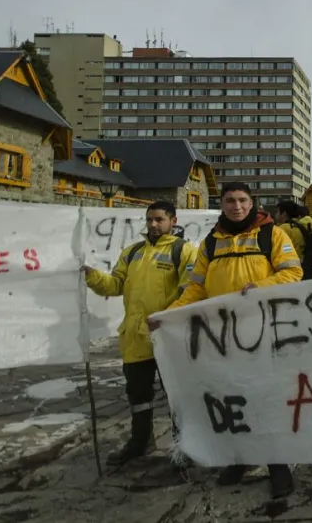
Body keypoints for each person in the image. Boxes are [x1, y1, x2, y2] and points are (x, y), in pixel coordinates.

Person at [163, 182, 304, 499]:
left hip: (263, 333)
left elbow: (293, 273)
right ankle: (240, 458)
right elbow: (195, 289)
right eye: (230, 201)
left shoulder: (272, 234)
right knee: (232, 399)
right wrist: (167, 315)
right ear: (222, 204)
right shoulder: (211, 242)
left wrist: (262, 286)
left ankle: (277, 465)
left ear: (252, 203)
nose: (236, 206)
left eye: (242, 200)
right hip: (222, 337)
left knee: (265, 400)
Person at [82, 200, 198, 467]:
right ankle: (140, 442)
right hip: (135, 337)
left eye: (159, 219)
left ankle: (185, 445)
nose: (153, 225)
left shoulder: (184, 251)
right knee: (138, 395)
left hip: (169, 337)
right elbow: (114, 285)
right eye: (149, 220)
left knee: (177, 394)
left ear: (173, 221)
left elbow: (189, 290)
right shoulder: (132, 252)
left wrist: (166, 318)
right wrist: (92, 276)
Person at [274, 200, 312, 279]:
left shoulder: (283, 229)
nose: (276, 215)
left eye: (278, 212)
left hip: (294, 270)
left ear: (284, 213)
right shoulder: (309, 226)